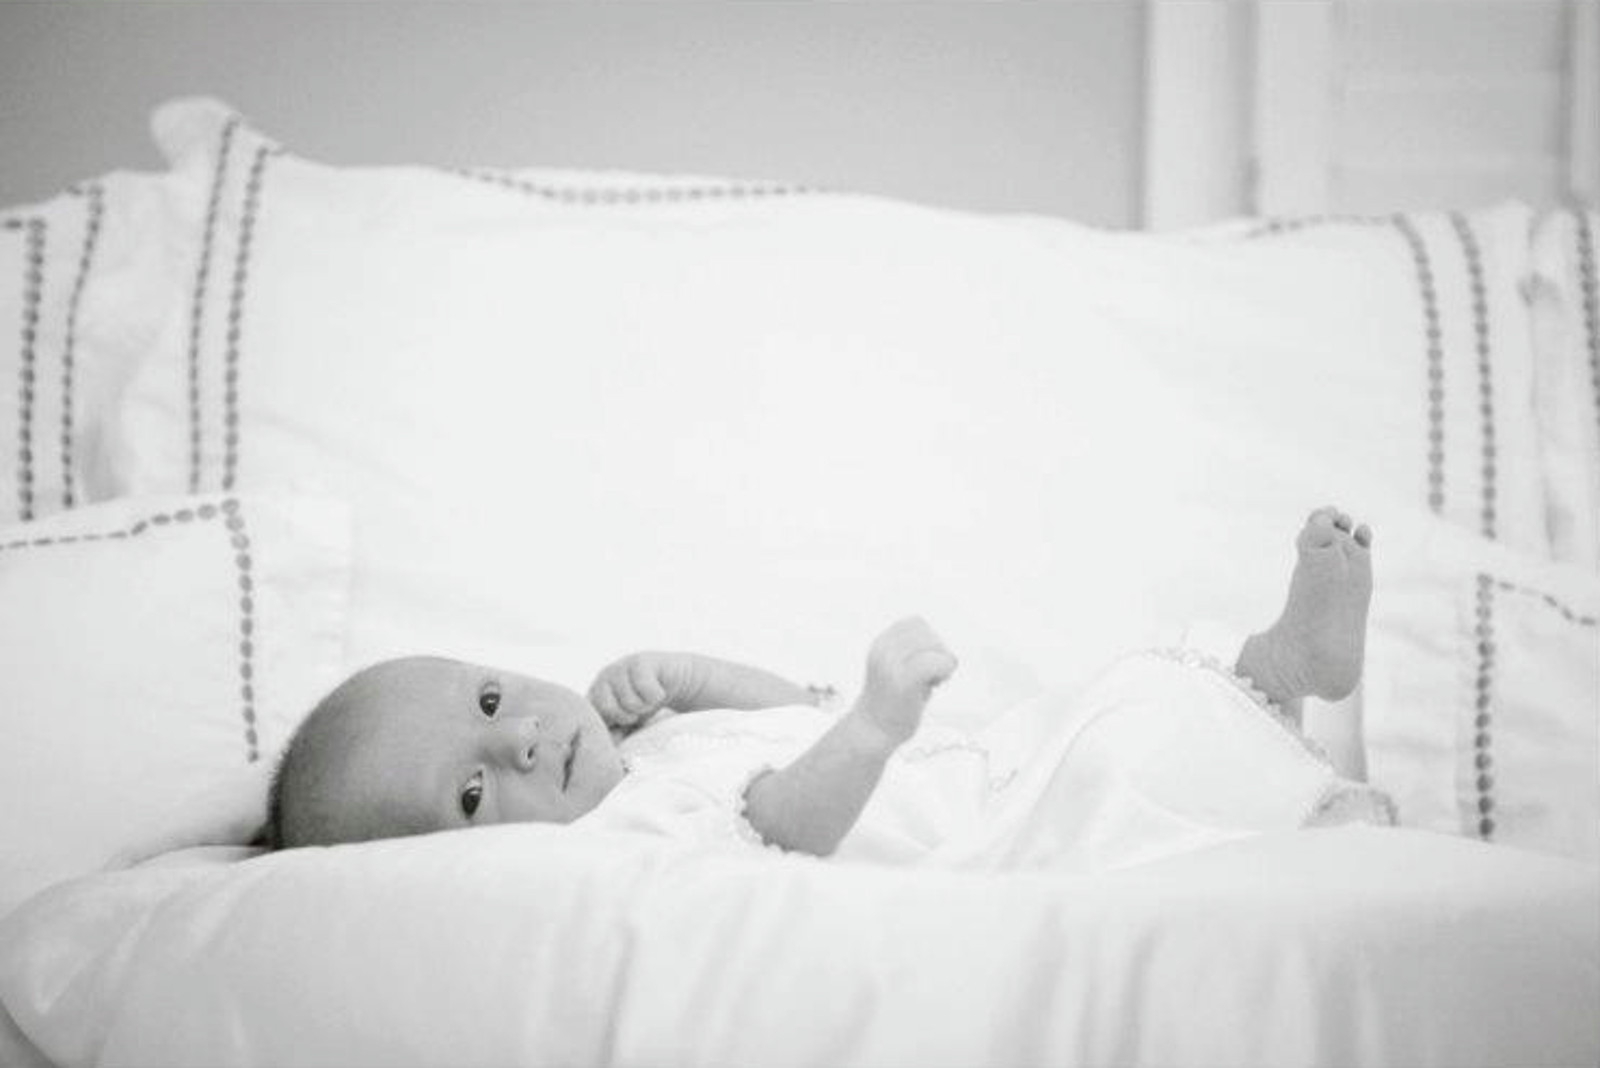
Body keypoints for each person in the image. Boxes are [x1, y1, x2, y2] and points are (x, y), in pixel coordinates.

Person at [266, 506, 1395, 870]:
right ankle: (1303, 798)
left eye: (488, 701)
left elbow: (778, 723)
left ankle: (1282, 670)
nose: (516, 739)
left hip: (984, 770)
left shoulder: (647, 751)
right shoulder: (623, 845)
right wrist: (871, 727)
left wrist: (701, 679)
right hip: (985, 836)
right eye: (471, 794)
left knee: (1131, 697)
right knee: (1121, 785)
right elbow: (780, 823)